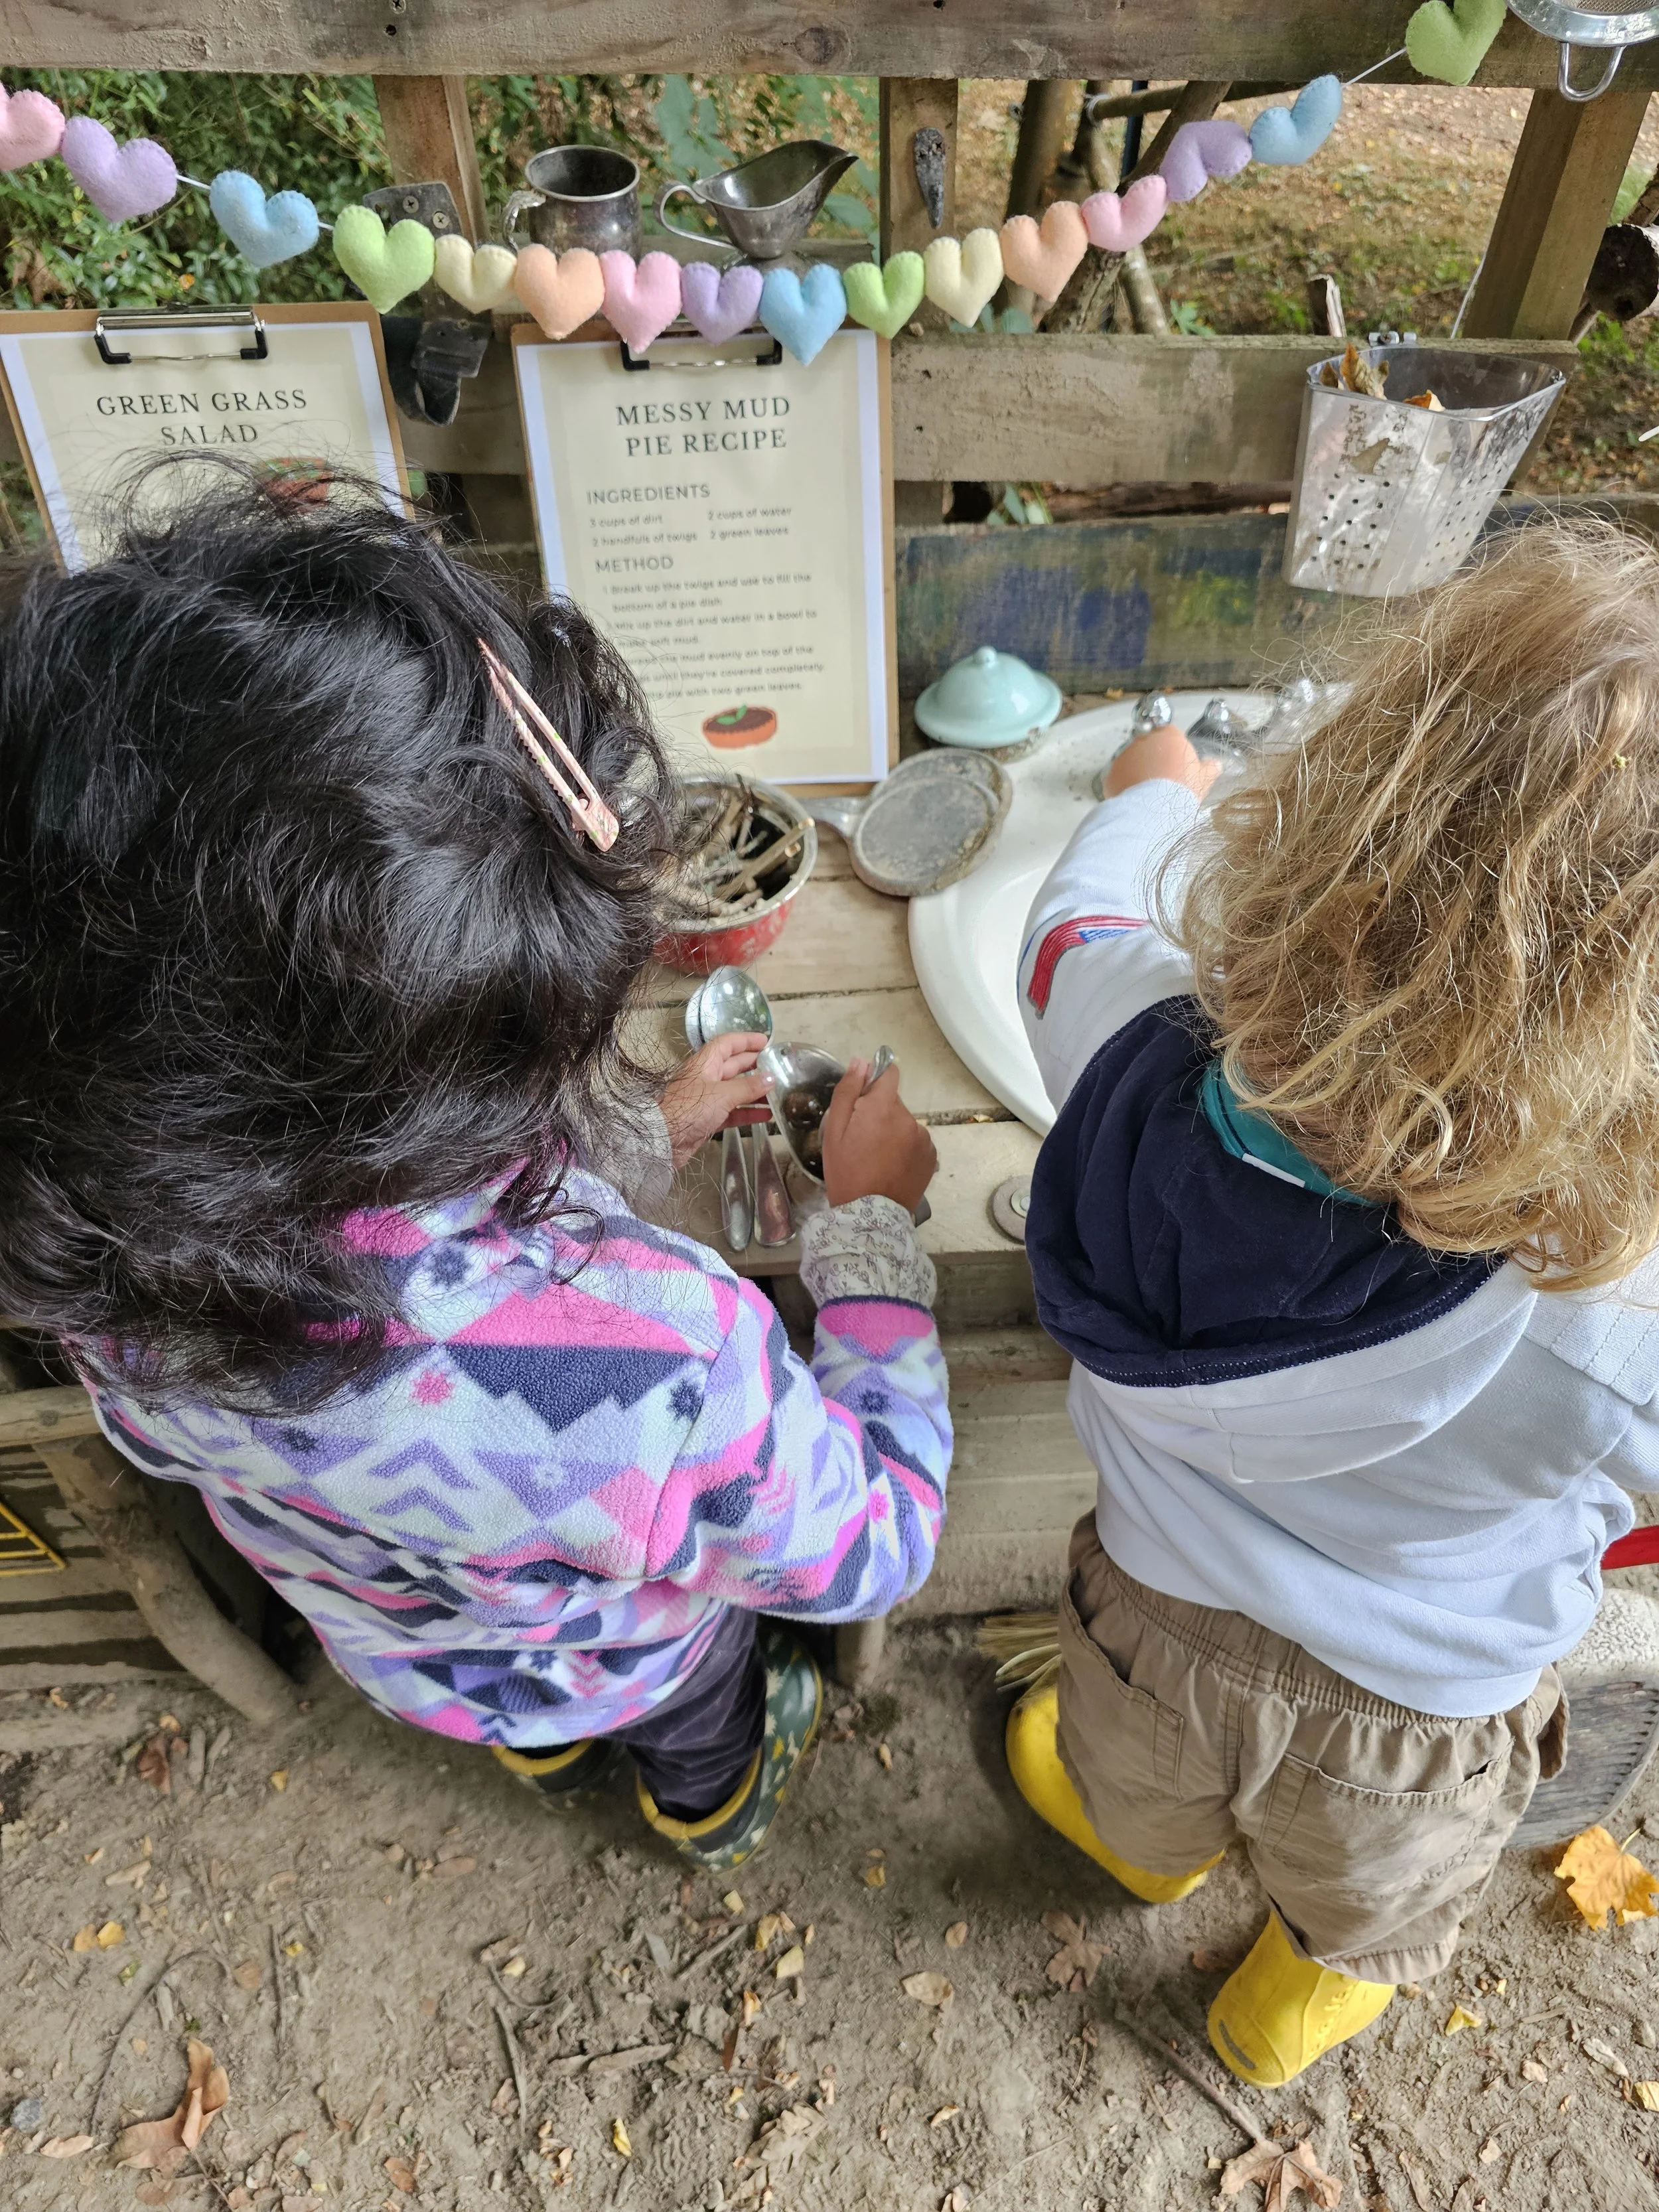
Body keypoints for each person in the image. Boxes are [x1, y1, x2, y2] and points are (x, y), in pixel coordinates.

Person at [0, 475, 947, 1871]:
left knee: (522, 1718)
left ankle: (548, 1756)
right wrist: (867, 1235)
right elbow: (874, 1542)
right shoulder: (662, 1361)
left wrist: (642, 1135)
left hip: (405, 1653)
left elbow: (380, 1259)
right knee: (701, 1724)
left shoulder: (99, 1238)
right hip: (632, 1659)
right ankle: (711, 1804)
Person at [1003, 519, 1659, 2086]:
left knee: (1124, 1784)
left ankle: (1139, 1855)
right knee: (1361, 1906)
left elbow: (1063, 934)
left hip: (1148, 1622)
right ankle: (1282, 2007)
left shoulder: (1124, 1034)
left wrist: (1153, 787)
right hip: (1412, 1725)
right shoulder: (1612, 1315)